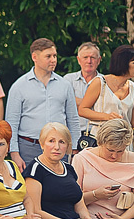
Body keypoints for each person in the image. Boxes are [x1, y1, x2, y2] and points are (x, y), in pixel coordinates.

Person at [5, 38, 82, 171]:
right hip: (29, 148)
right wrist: (14, 153)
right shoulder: (19, 86)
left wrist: (75, 149)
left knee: (58, 188)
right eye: (48, 56)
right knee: (30, 190)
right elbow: (11, 123)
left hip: (59, 148)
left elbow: (73, 119)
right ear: (34, 57)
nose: (53, 60)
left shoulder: (65, 85)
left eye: (55, 56)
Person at [77, 45, 134, 139]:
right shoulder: (100, 82)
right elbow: (83, 110)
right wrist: (106, 116)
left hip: (123, 141)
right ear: (123, 63)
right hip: (101, 139)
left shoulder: (133, 88)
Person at [66, 41, 103, 107]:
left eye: (93, 58)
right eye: (85, 57)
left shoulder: (105, 81)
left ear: (99, 60)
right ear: (79, 60)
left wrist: (76, 101)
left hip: (97, 118)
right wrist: (93, 103)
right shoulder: (69, 79)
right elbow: (64, 101)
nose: (89, 61)